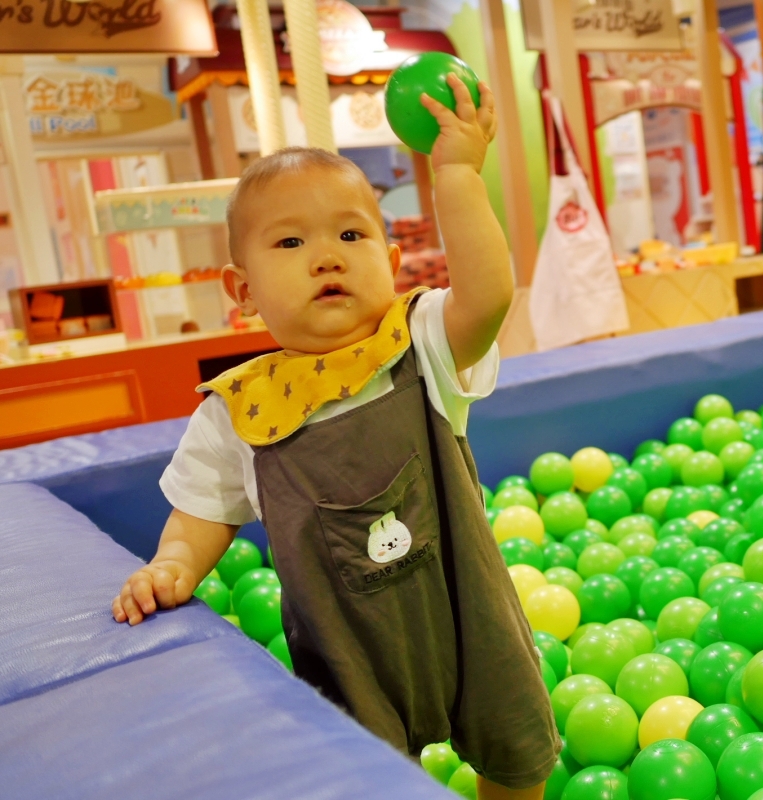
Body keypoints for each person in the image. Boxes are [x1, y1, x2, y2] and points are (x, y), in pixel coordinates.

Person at [111, 76, 556, 798]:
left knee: (513, 755)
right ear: (244, 291)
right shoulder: (237, 412)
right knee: (365, 777)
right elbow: (201, 513)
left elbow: (488, 295)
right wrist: (172, 566)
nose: (327, 256)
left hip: (469, 623)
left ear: (392, 257)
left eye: (352, 235)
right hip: (347, 656)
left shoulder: (420, 345)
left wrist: (456, 174)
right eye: (290, 241)